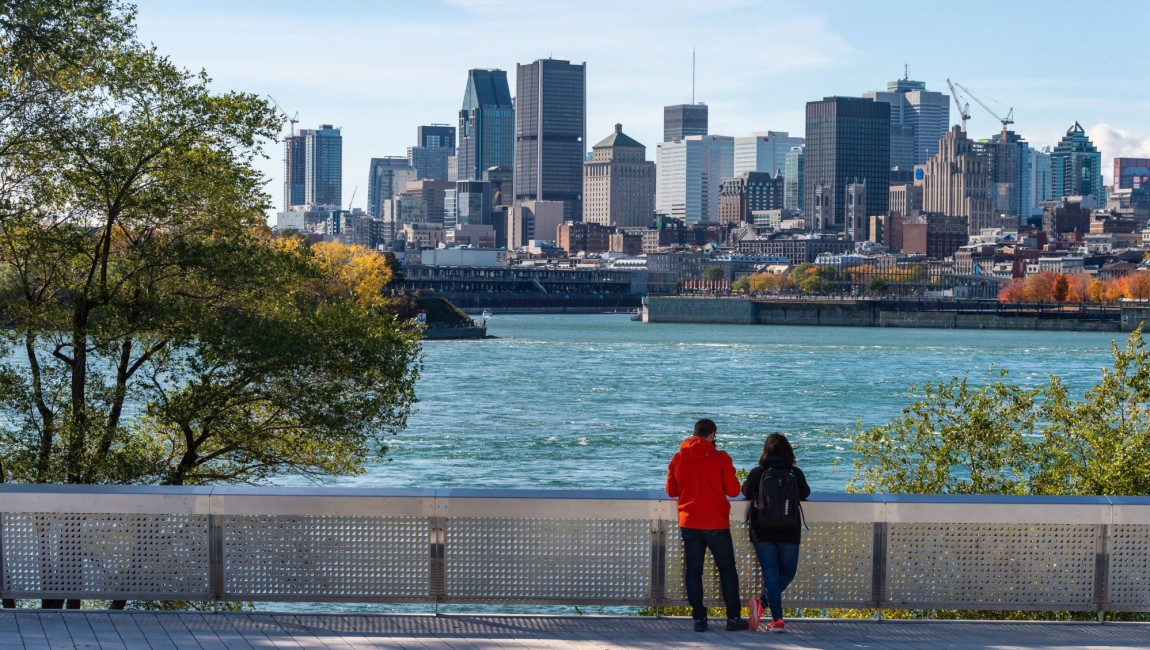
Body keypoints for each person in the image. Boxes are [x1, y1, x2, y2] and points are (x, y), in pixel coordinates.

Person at [665, 418, 748, 632]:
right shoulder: (721, 458)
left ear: (694, 434)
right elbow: (733, 491)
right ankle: (733, 619)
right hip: (716, 523)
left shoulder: (678, 458)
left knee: (693, 571)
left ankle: (699, 619)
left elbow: (671, 491)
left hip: (689, 522)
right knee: (727, 570)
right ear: (712, 435)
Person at [741, 433, 811, 633]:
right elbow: (805, 493)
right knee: (788, 572)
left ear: (766, 451)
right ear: (788, 451)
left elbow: (745, 491)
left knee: (770, 571)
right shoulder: (795, 473)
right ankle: (770, 612)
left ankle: (768, 610)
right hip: (789, 530)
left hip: (762, 529)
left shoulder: (759, 472)